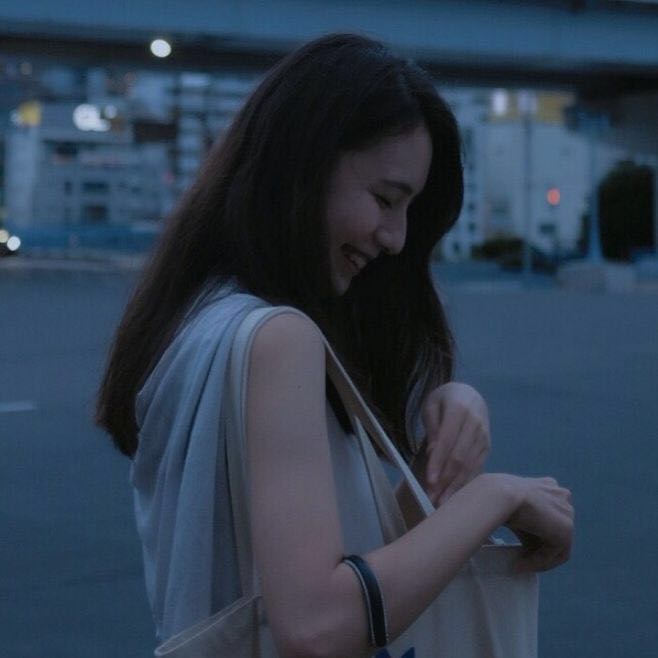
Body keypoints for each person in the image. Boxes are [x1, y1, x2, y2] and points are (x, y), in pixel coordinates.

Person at [96, 33, 573, 658]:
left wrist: (439, 459)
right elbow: (318, 626)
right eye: (385, 199)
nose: (396, 237)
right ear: (306, 164)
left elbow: (337, 572)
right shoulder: (279, 339)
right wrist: (495, 497)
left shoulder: (203, 319)